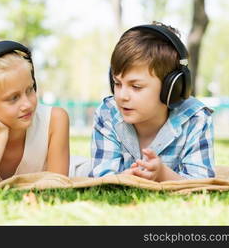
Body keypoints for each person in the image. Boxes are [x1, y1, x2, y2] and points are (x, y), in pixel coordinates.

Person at [89, 22, 215, 181]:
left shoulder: (196, 118)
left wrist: (163, 175)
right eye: (117, 83)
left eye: (136, 86)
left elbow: (202, 182)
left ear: (172, 89)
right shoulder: (108, 113)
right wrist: (123, 178)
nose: (122, 96)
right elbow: (101, 177)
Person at [0, 40, 69, 186]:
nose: (27, 104)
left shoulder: (55, 120)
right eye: (13, 98)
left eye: (30, 89)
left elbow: (57, 184)